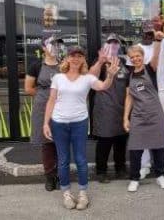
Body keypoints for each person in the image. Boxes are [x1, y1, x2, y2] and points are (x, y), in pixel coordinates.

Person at [43, 46, 119, 210]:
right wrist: (45, 123)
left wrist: (111, 75)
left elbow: (103, 86)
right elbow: (51, 100)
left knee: (81, 160)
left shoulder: (87, 78)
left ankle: (83, 193)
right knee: (63, 161)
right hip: (59, 123)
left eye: (79, 56)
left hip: (79, 123)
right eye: (73, 55)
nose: (76, 59)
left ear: (83, 59)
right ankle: (67, 193)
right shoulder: (58, 77)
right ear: (68, 58)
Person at [127, 17, 164, 179]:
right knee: (142, 131)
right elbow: (131, 76)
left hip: (160, 91)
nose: (148, 36)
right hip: (141, 95)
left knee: (162, 131)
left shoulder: (162, 42)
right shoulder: (135, 49)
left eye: (150, 32)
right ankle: (144, 166)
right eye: (145, 33)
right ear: (142, 33)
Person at [123, 32, 164, 192]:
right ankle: (134, 178)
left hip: (155, 114)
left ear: (142, 56)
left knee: (158, 147)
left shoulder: (150, 69)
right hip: (138, 116)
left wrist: (158, 40)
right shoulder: (129, 76)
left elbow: (157, 55)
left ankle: (160, 175)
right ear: (129, 59)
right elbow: (129, 98)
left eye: (138, 56)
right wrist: (125, 118)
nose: (135, 59)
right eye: (132, 57)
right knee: (136, 149)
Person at [24, 35, 63, 191]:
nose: (55, 47)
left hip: (62, 109)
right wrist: (46, 98)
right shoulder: (36, 66)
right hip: (42, 109)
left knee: (61, 144)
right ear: (43, 48)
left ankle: (61, 175)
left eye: (57, 45)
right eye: (51, 44)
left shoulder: (64, 65)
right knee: (47, 145)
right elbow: (29, 88)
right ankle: (50, 178)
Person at [89, 33, 129, 183]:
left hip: (121, 108)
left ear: (119, 45)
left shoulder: (124, 62)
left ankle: (120, 169)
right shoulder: (100, 62)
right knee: (105, 142)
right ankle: (101, 171)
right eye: (110, 43)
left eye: (116, 43)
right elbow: (90, 77)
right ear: (105, 45)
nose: (113, 45)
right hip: (105, 109)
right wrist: (100, 62)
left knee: (121, 141)